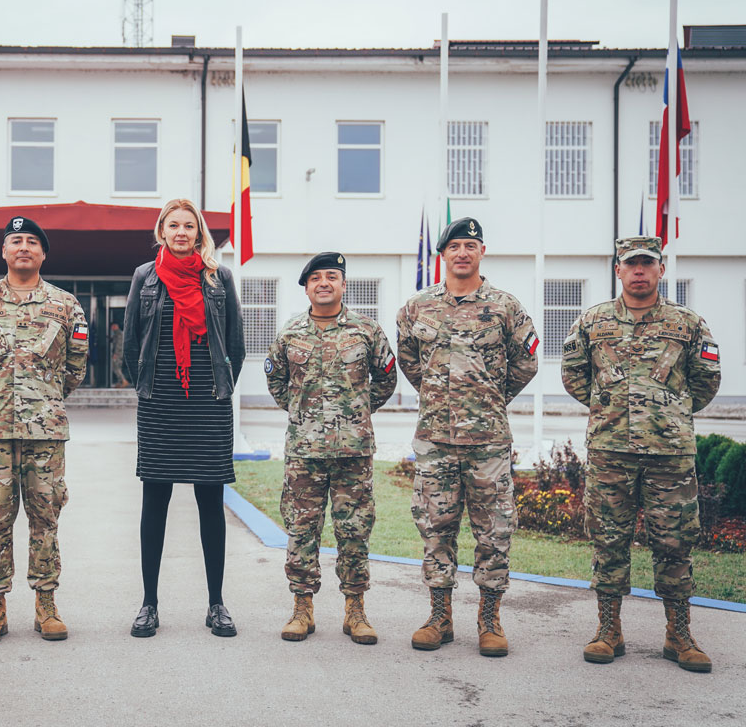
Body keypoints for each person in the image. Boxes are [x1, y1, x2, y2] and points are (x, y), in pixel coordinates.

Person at [562, 236, 721, 672]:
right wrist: (607, 408)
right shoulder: (593, 321)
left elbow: (706, 381)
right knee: (608, 540)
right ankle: (608, 630)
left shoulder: (688, 323)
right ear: (618, 269)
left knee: (675, 542)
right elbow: (574, 374)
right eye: (631, 263)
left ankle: (679, 634)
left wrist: (669, 415)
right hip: (611, 450)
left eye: (647, 263)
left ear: (660, 270)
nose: (639, 271)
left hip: (669, 454)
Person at [395, 217, 539, 657]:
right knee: (435, 528)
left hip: (488, 442)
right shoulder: (417, 308)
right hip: (436, 440)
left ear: (481, 252)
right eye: (455, 245)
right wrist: (441, 397)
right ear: (443, 254)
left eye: (470, 245)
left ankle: (489, 620)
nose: (462, 252)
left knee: (494, 532)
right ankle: (439, 617)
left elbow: (526, 363)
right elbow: (409, 361)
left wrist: (489, 398)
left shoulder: (505, 307)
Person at [0, 216, 88, 644]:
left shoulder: (66, 305)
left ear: (43, 254)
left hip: (45, 433)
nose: (24, 247)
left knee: (46, 518)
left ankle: (46, 604)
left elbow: (76, 368)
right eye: (16, 241)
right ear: (4, 252)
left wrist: (43, 398)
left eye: (32, 242)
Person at [123, 198, 245, 639]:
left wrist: (219, 389)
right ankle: (148, 605)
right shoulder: (145, 277)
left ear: (199, 232)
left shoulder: (218, 278)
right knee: (154, 501)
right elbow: (131, 344)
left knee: (210, 503)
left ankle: (216, 604)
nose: (180, 232)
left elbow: (235, 344)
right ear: (161, 230)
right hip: (161, 404)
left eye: (188, 226)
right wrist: (146, 387)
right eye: (172, 225)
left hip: (208, 405)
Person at [265, 252, 398, 643]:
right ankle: (301, 609)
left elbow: (386, 379)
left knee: (354, 531)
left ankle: (355, 611)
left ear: (343, 285)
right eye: (316, 278)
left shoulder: (367, 331)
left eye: (332, 276)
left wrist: (356, 412)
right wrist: (302, 413)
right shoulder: (290, 332)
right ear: (306, 287)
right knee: (301, 530)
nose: (324, 283)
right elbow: (276, 382)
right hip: (304, 453)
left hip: (353, 453)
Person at [109, 322, 130, 388]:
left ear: (116, 326)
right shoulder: (116, 334)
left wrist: (116, 354)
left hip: (118, 354)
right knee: (117, 368)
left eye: (112, 326)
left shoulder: (119, 334)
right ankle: (120, 382)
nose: (111, 328)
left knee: (116, 368)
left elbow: (119, 345)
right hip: (119, 354)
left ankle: (124, 381)